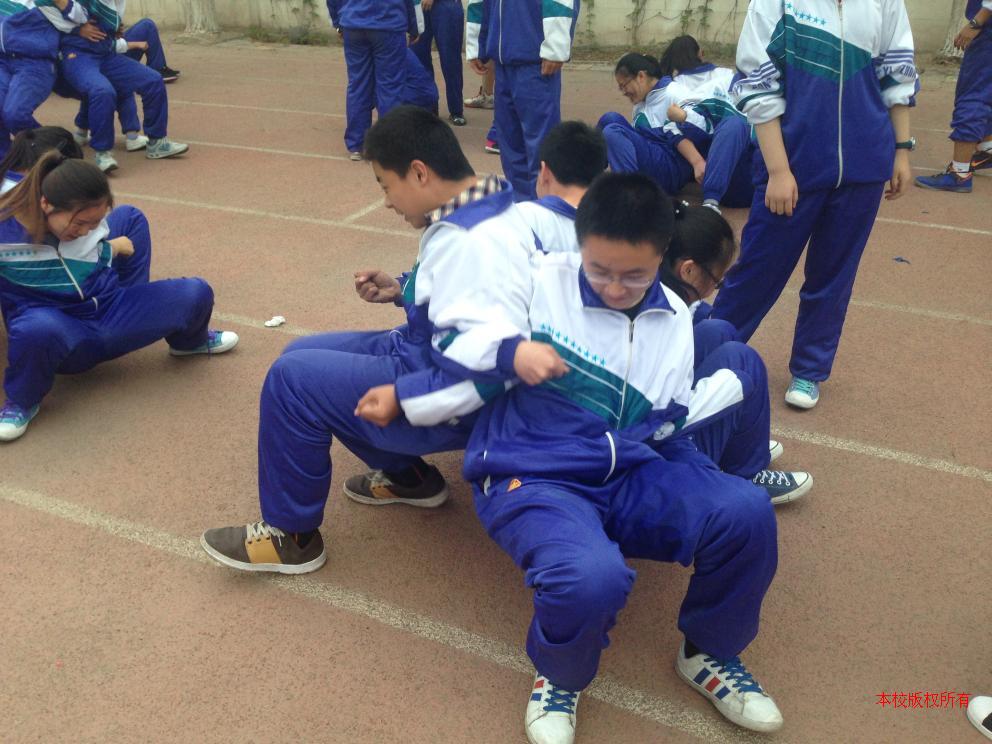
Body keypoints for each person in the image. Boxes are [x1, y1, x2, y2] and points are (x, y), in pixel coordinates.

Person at [464, 173, 782, 743]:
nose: (614, 287)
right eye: (599, 270)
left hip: (633, 467)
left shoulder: (676, 317)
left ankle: (708, 652)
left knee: (746, 511)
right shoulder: (530, 284)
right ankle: (561, 675)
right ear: (580, 246)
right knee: (591, 575)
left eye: (634, 274)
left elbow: (666, 420)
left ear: (664, 258)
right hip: (535, 471)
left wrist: (701, 466)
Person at [199, 106, 539, 574]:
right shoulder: (488, 205)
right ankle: (410, 476)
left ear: (419, 173)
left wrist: (403, 396)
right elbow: (464, 298)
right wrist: (404, 289)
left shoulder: (473, 245)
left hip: (449, 386)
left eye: (385, 185)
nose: (386, 202)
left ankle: (292, 537)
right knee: (299, 353)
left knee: (292, 380)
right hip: (425, 349)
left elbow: (484, 364)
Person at [710, 0, 917, 410]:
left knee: (834, 276)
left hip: (864, 165)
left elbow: (897, 72)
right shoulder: (776, 3)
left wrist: (901, 149)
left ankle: (809, 369)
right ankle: (709, 353)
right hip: (793, 165)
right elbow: (757, 83)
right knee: (757, 270)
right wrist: (778, 170)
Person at [0, 152, 237, 441]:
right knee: (36, 329)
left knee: (196, 292)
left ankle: (189, 344)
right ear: (46, 204)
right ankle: (22, 402)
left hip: (111, 310)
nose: (87, 232)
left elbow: (94, 242)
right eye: (80, 224)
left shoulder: (85, 227)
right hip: (63, 333)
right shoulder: (6, 235)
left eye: (94, 223)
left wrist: (106, 248)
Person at [660, 204, 812, 504]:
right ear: (688, 270)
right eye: (716, 280)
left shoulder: (647, 284)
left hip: (644, 425)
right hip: (652, 452)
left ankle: (742, 450)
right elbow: (662, 417)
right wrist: (728, 388)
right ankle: (746, 473)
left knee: (718, 330)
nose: (715, 289)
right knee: (742, 363)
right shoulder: (662, 317)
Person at [0, 126, 151, 286]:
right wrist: (112, 248)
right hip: (57, 285)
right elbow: (76, 256)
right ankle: (129, 293)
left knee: (125, 217)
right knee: (130, 218)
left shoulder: (12, 184)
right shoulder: (42, 200)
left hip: (41, 276)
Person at [466, 0, 580, 200]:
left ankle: (546, 208)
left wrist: (556, 46)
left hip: (534, 62)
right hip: (503, 62)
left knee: (541, 146)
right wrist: (476, 44)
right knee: (510, 145)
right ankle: (522, 205)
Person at [59, 0, 188, 173]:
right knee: (102, 91)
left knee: (153, 80)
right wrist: (77, 30)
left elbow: (111, 32)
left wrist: (114, 31)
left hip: (106, 54)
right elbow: (52, 11)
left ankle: (157, 142)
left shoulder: (117, 4)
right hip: (78, 56)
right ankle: (102, 153)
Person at [327, 0, 424, 161]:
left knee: (358, 85)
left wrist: (338, 23)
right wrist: (414, 28)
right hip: (388, 23)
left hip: (353, 22)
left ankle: (357, 145)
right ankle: (387, 146)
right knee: (390, 87)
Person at [915, 0, 991, 193]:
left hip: (988, 30)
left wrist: (977, 22)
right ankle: (987, 148)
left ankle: (959, 174)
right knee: (986, 93)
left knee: (973, 97)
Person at [0, 0, 87, 157]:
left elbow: (81, 16)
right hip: (3, 61)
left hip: (35, 62)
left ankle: (60, 151)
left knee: (15, 114)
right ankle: (5, 162)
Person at [410, 0, 464, 125]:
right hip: (417, 5)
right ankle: (428, 106)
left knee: (451, 60)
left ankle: (456, 110)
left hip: (446, 5)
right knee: (419, 61)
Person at [121, 18, 181, 83]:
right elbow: (112, 45)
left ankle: (159, 67)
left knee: (147, 24)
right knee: (147, 25)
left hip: (118, 48)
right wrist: (136, 44)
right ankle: (157, 69)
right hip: (116, 58)